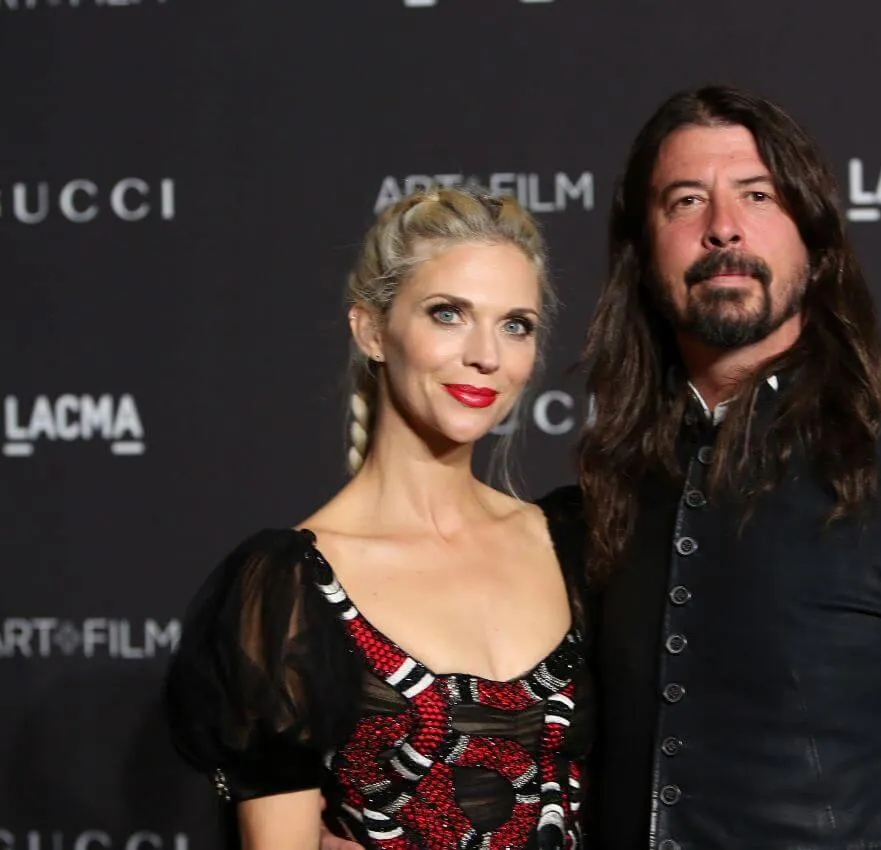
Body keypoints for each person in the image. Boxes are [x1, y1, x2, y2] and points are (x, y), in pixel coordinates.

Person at [576, 84, 881, 849]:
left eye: (758, 195)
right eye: (684, 201)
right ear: (641, 251)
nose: (722, 229)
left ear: (816, 237)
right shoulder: (610, 487)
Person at [165, 187, 593, 850]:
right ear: (371, 329)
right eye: (448, 314)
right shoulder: (290, 584)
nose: (486, 354)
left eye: (516, 325)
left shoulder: (572, 539)